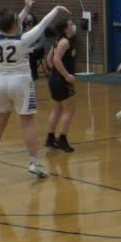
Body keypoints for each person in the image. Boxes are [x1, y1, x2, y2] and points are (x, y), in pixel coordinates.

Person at [0, 1, 70, 178]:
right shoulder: (23, 39)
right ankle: (34, 163)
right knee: (28, 122)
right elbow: (43, 23)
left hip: (1, 83)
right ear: (15, 25)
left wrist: (26, 8)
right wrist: (56, 9)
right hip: (20, 82)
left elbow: (14, 22)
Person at [45, 17, 80, 153]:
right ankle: (62, 140)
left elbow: (49, 60)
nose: (73, 27)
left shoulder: (57, 41)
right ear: (65, 28)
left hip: (54, 79)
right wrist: (66, 75)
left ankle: (50, 138)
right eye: (71, 25)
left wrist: (55, 73)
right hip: (62, 80)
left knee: (57, 109)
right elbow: (55, 59)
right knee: (69, 110)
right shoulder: (65, 42)